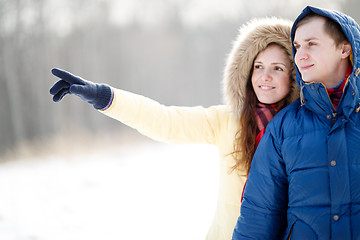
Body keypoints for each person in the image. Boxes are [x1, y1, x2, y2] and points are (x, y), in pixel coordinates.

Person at [49, 17, 298, 240]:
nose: (265, 76)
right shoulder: (226, 121)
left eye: (277, 68)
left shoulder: (306, 129)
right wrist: (105, 97)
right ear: (246, 72)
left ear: (294, 77)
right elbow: (165, 120)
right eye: (258, 66)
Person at [232, 6, 360, 240]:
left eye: (311, 44)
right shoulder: (282, 128)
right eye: (298, 46)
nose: (300, 55)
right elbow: (258, 218)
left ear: (344, 48)